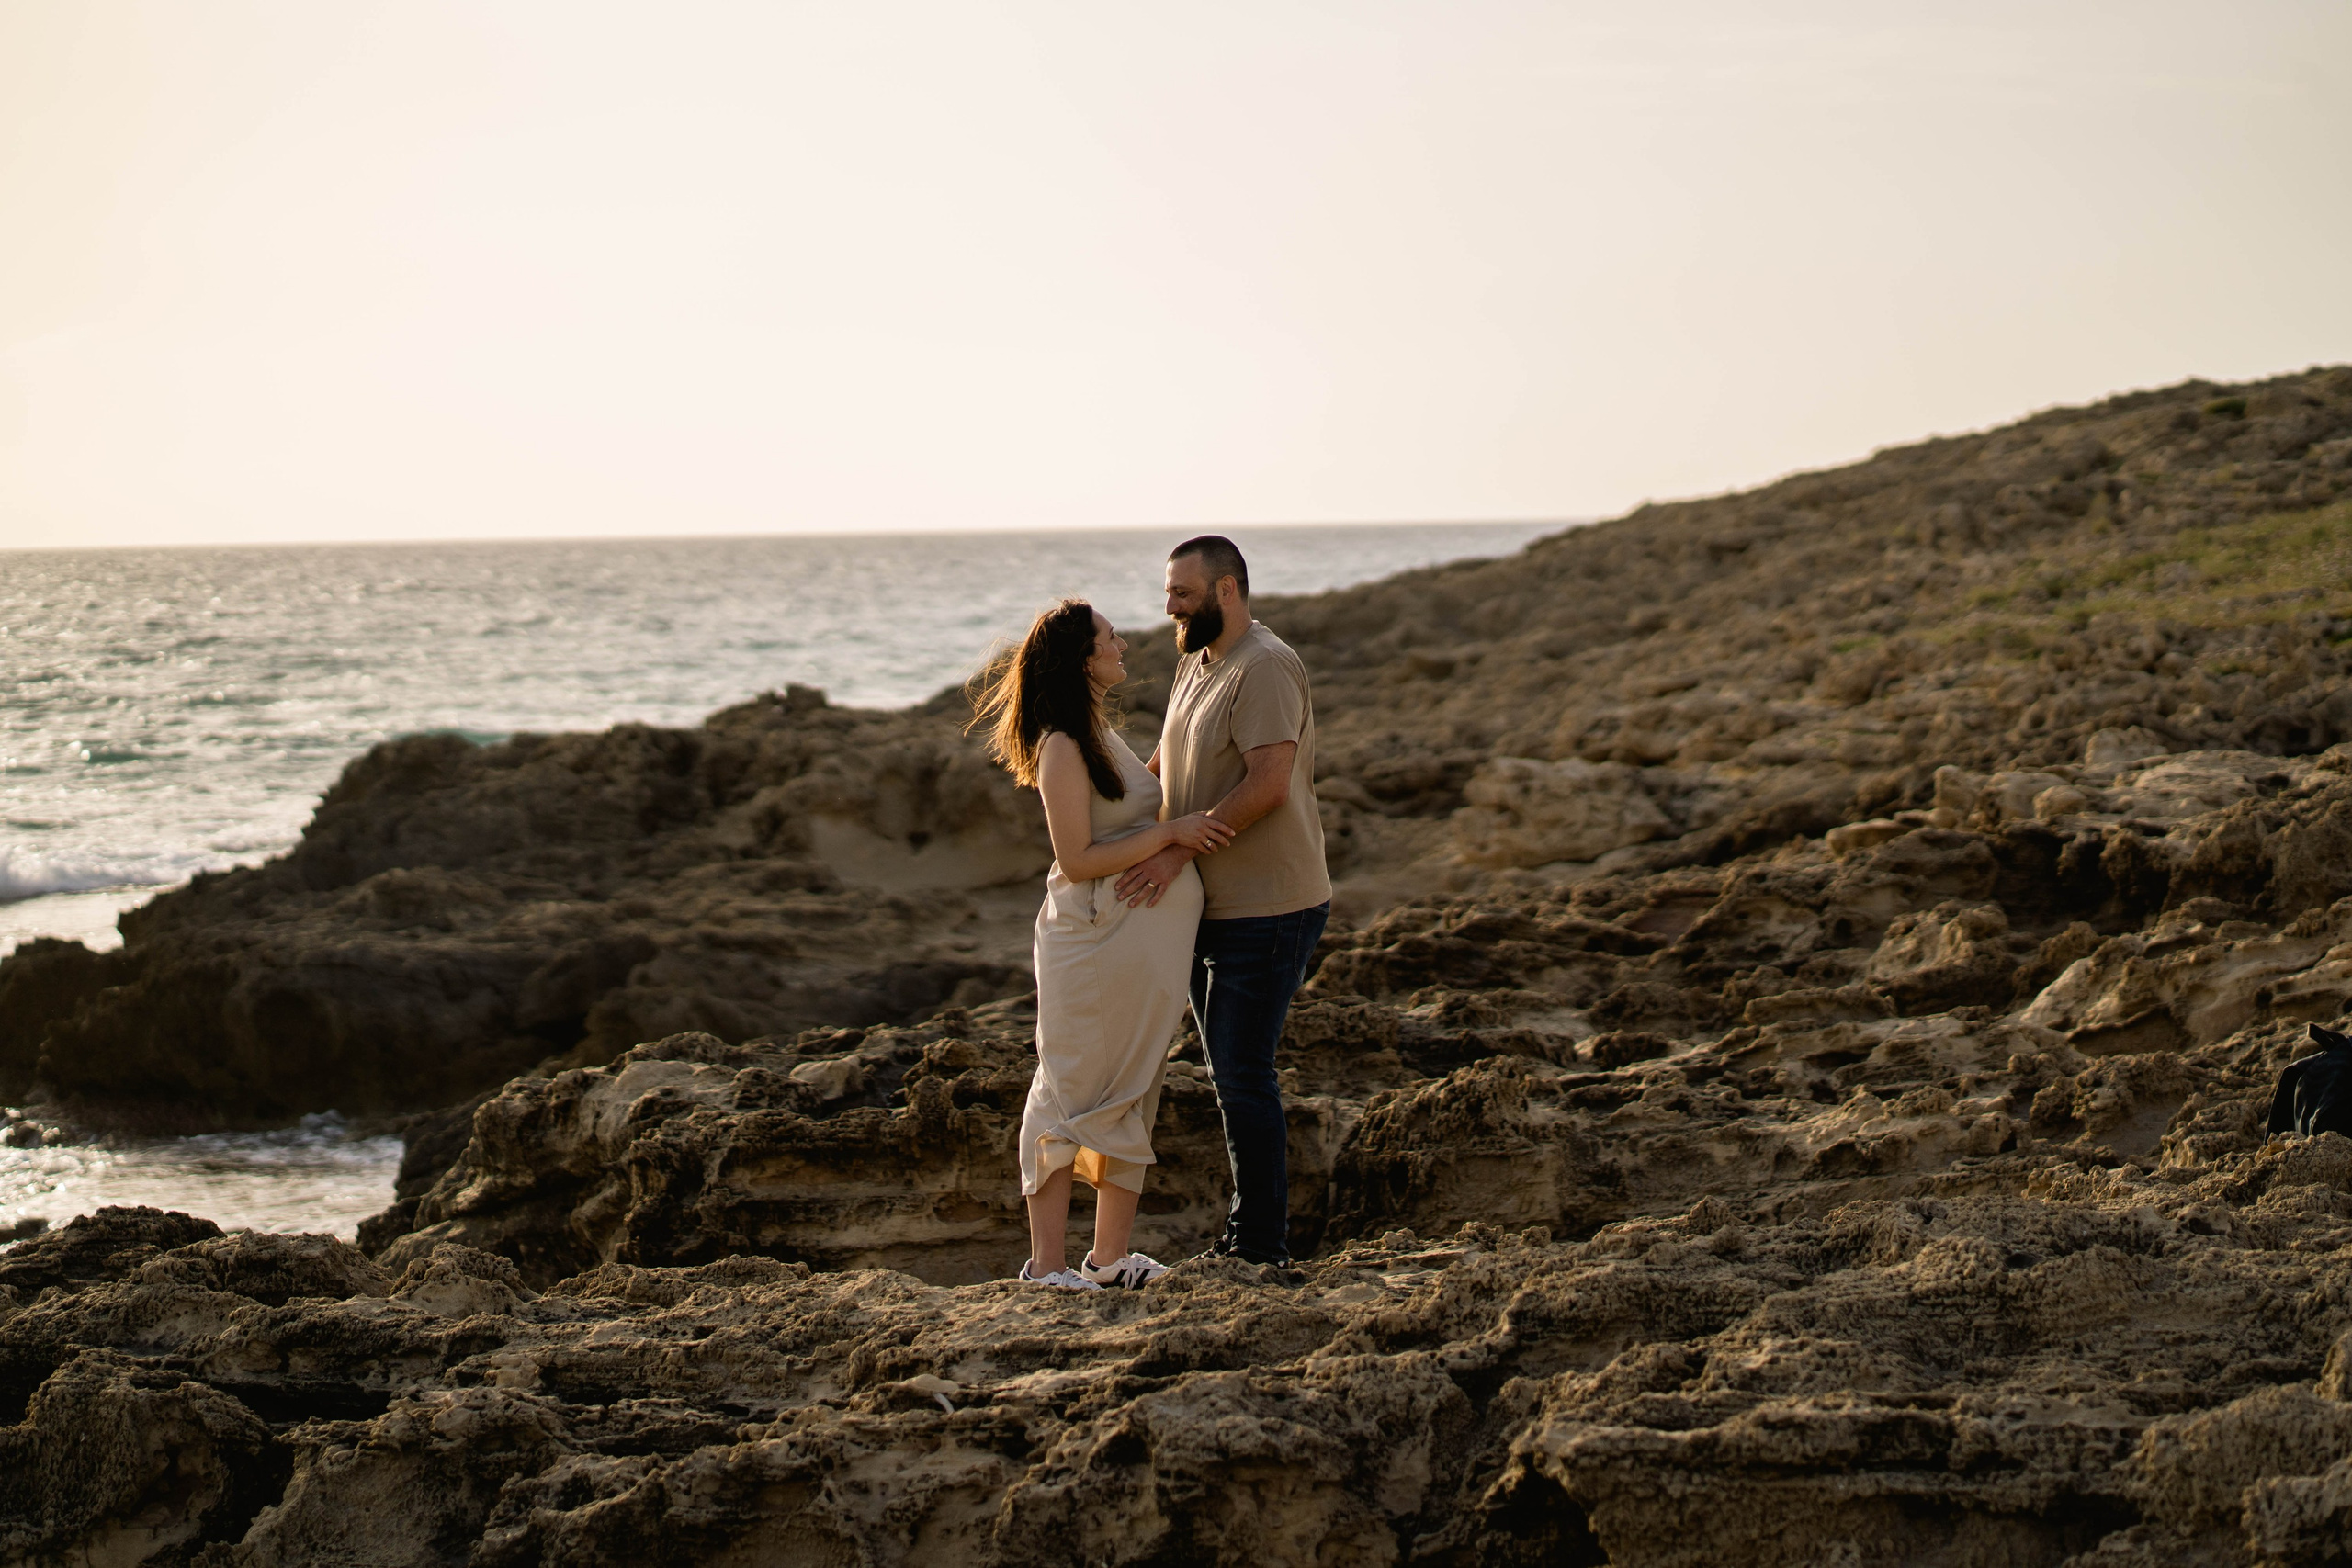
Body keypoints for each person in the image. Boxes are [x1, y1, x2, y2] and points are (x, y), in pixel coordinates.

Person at [970, 599, 1235, 1290]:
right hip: (1089, 943)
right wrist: (1174, 836)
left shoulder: (1098, 733)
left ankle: (1111, 1258)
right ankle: (1047, 1265)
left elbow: (1140, 798)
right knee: (1069, 1091)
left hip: (1136, 946)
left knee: (1134, 1085)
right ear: (1085, 658)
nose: (1123, 645)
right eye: (1110, 638)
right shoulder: (1062, 742)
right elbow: (1080, 855)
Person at [1114, 536, 1331, 1265]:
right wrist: (1104, 819)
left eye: (1182, 592)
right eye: (1169, 591)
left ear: (1228, 589)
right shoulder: (1193, 661)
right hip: (1209, 903)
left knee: (1243, 1075)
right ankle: (1250, 1237)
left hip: (1269, 904)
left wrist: (1175, 849)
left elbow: (1269, 785)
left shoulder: (1265, 666)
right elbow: (1166, 764)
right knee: (1229, 1075)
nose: (1168, 604)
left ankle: (1260, 1246)